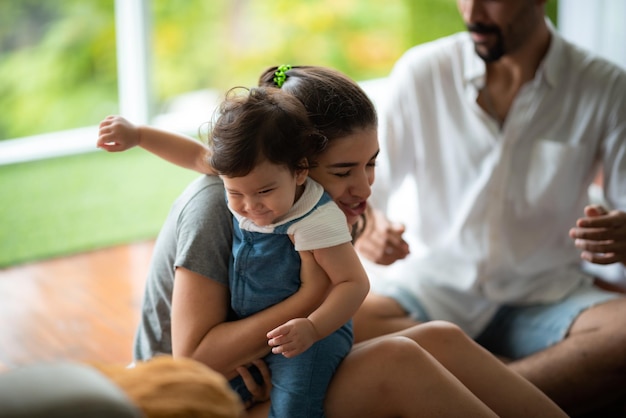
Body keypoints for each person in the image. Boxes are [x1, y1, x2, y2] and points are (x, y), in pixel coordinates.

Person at [98, 65, 567, 417]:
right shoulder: (219, 208)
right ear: (296, 165)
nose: (365, 187)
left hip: (266, 364)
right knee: (398, 361)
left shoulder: (304, 207)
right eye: (344, 171)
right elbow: (195, 359)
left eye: (371, 164)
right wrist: (309, 299)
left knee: (441, 338)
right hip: (193, 403)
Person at [351, 0, 626, 416]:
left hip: (545, 294)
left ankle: (450, 390)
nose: (472, 11)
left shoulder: (604, 85)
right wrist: (367, 225)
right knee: (337, 326)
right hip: (430, 290)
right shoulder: (422, 71)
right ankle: (521, 388)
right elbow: (368, 192)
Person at [102, 84, 370, 418]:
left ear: (300, 171)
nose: (252, 206)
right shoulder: (242, 177)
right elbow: (194, 155)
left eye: (265, 192)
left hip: (298, 339)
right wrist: (138, 135)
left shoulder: (314, 214)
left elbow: (354, 283)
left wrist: (313, 327)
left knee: (295, 407)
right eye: (236, 193)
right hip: (223, 357)